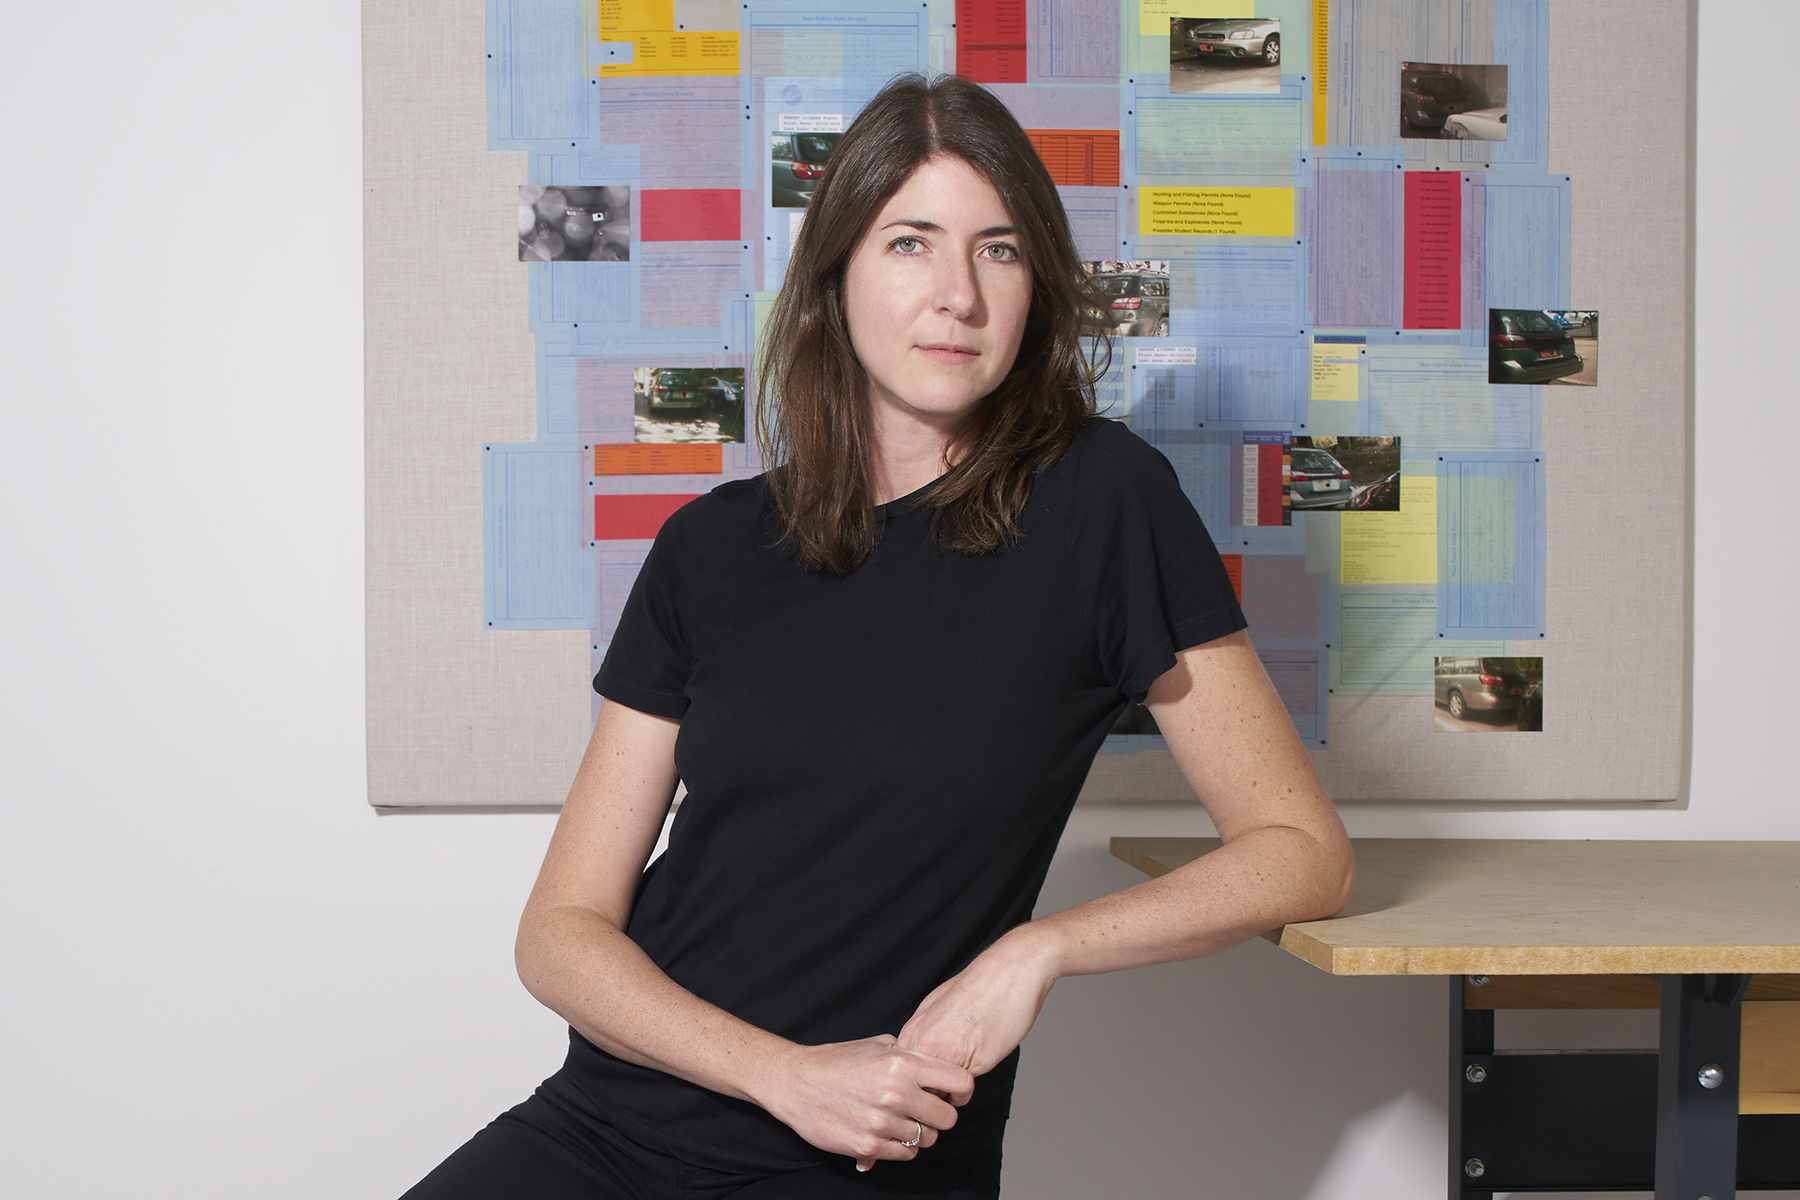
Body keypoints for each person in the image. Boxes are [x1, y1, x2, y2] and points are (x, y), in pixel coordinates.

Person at [404, 73, 1351, 1200]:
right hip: (614, 1123)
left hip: (870, 1152)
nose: (957, 294)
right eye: (911, 244)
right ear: (836, 275)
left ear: (1037, 284)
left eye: (998, 250)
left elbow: (1301, 852)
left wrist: (1036, 950)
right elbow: (559, 933)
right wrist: (780, 1074)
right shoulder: (708, 549)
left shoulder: (1104, 504)